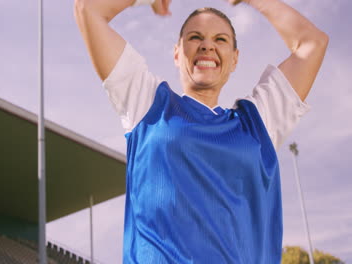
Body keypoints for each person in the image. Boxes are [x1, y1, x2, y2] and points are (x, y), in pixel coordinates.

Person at [74, 0, 328, 263]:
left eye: (221, 39)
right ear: (177, 53)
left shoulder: (257, 123)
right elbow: (88, 10)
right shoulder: (148, 104)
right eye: (195, 37)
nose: (208, 45)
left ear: (234, 59)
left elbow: (312, 43)